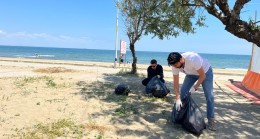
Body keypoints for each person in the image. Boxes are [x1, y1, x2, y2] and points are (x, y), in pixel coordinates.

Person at [167, 52, 216, 131]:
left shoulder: (193, 58)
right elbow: (176, 84)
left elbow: (202, 76)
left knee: (209, 96)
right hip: (191, 74)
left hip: (205, 72)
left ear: (181, 59)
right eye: (173, 65)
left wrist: (195, 87)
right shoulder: (174, 65)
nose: (174, 67)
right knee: (183, 94)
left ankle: (211, 120)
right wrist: (177, 98)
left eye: (175, 65)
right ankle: (183, 116)